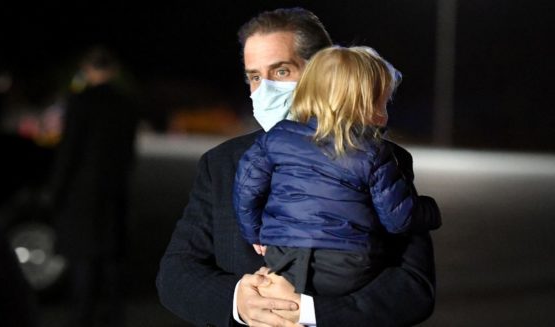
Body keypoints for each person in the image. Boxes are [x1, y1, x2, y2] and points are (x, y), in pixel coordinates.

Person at [157, 7, 438, 327]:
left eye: (280, 72)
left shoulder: (382, 158)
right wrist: (238, 300)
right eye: (254, 77)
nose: (265, 90)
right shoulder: (221, 164)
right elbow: (176, 273)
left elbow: (414, 286)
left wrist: (310, 311)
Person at [233, 45, 441, 299]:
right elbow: (398, 220)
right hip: (347, 267)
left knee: (285, 303)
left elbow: (246, 189)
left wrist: (254, 232)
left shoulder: (276, 137)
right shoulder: (374, 152)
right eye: (384, 103)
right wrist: (430, 210)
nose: (385, 114)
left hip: (283, 258)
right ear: (364, 104)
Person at [47, 46, 138, 327]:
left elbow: (69, 151)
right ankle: (113, 315)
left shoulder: (79, 102)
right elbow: (128, 153)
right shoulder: (125, 104)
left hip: (81, 193)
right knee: (111, 257)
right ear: (112, 71)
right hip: (114, 190)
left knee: (84, 258)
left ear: (87, 69)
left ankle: (82, 315)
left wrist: (56, 191)